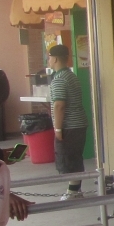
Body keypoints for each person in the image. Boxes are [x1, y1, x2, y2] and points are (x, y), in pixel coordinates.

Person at [46, 45, 88, 200]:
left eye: (49, 57)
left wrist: (58, 129)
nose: (48, 60)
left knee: (67, 157)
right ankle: (74, 189)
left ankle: (73, 192)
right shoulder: (71, 76)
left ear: (55, 58)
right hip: (79, 123)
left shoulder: (59, 79)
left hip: (68, 126)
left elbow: (59, 105)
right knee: (75, 156)